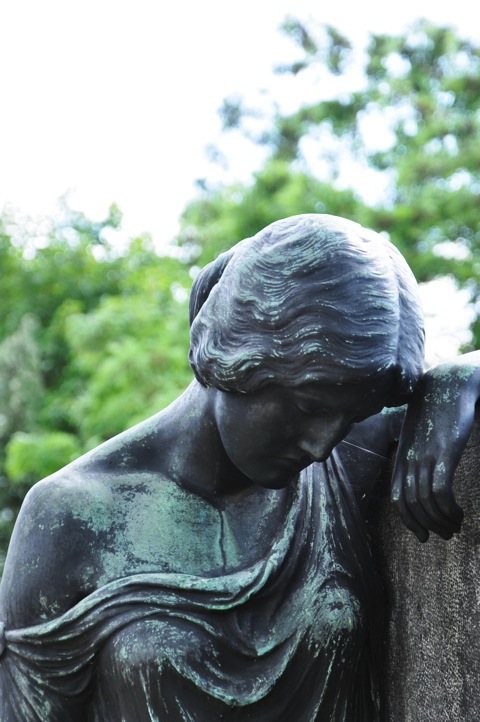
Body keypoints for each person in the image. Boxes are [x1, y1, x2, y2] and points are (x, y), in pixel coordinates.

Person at [0, 214, 478, 721]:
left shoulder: (343, 469)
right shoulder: (70, 514)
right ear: (237, 355)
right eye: (308, 406)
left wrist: (457, 377)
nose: (322, 444)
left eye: (350, 418)